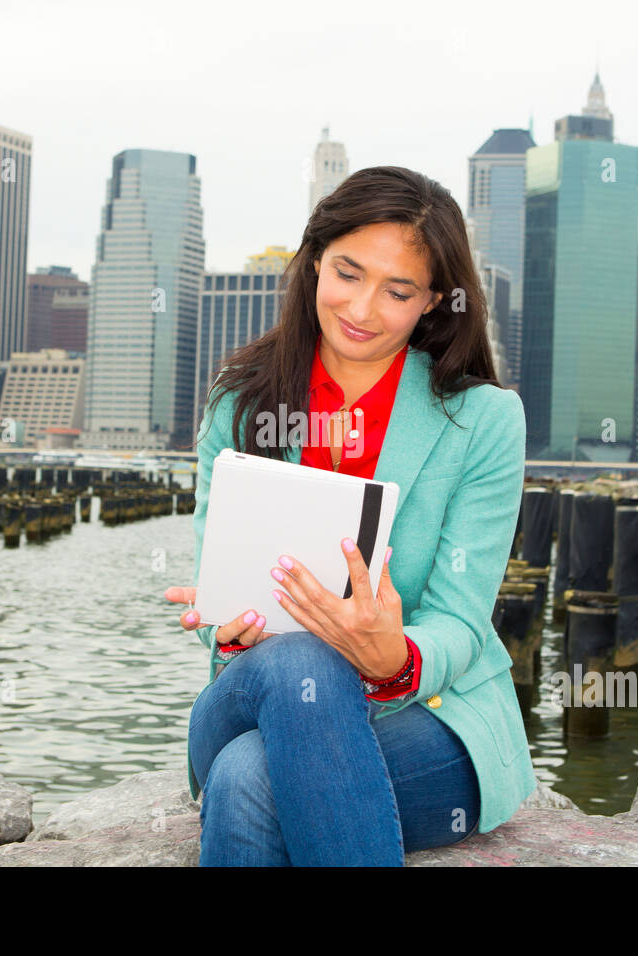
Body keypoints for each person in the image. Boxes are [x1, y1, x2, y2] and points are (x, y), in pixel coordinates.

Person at [164, 165, 535, 866]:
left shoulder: (484, 421)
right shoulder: (238, 405)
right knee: (295, 658)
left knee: (247, 780)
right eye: (347, 273)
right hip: (255, 694)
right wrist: (228, 625)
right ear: (312, 264)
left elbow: (461, 620)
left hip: (427, 717)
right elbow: (221, 609)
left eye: (397, 291)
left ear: (432, 302)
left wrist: (394, 658)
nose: (363, 309)